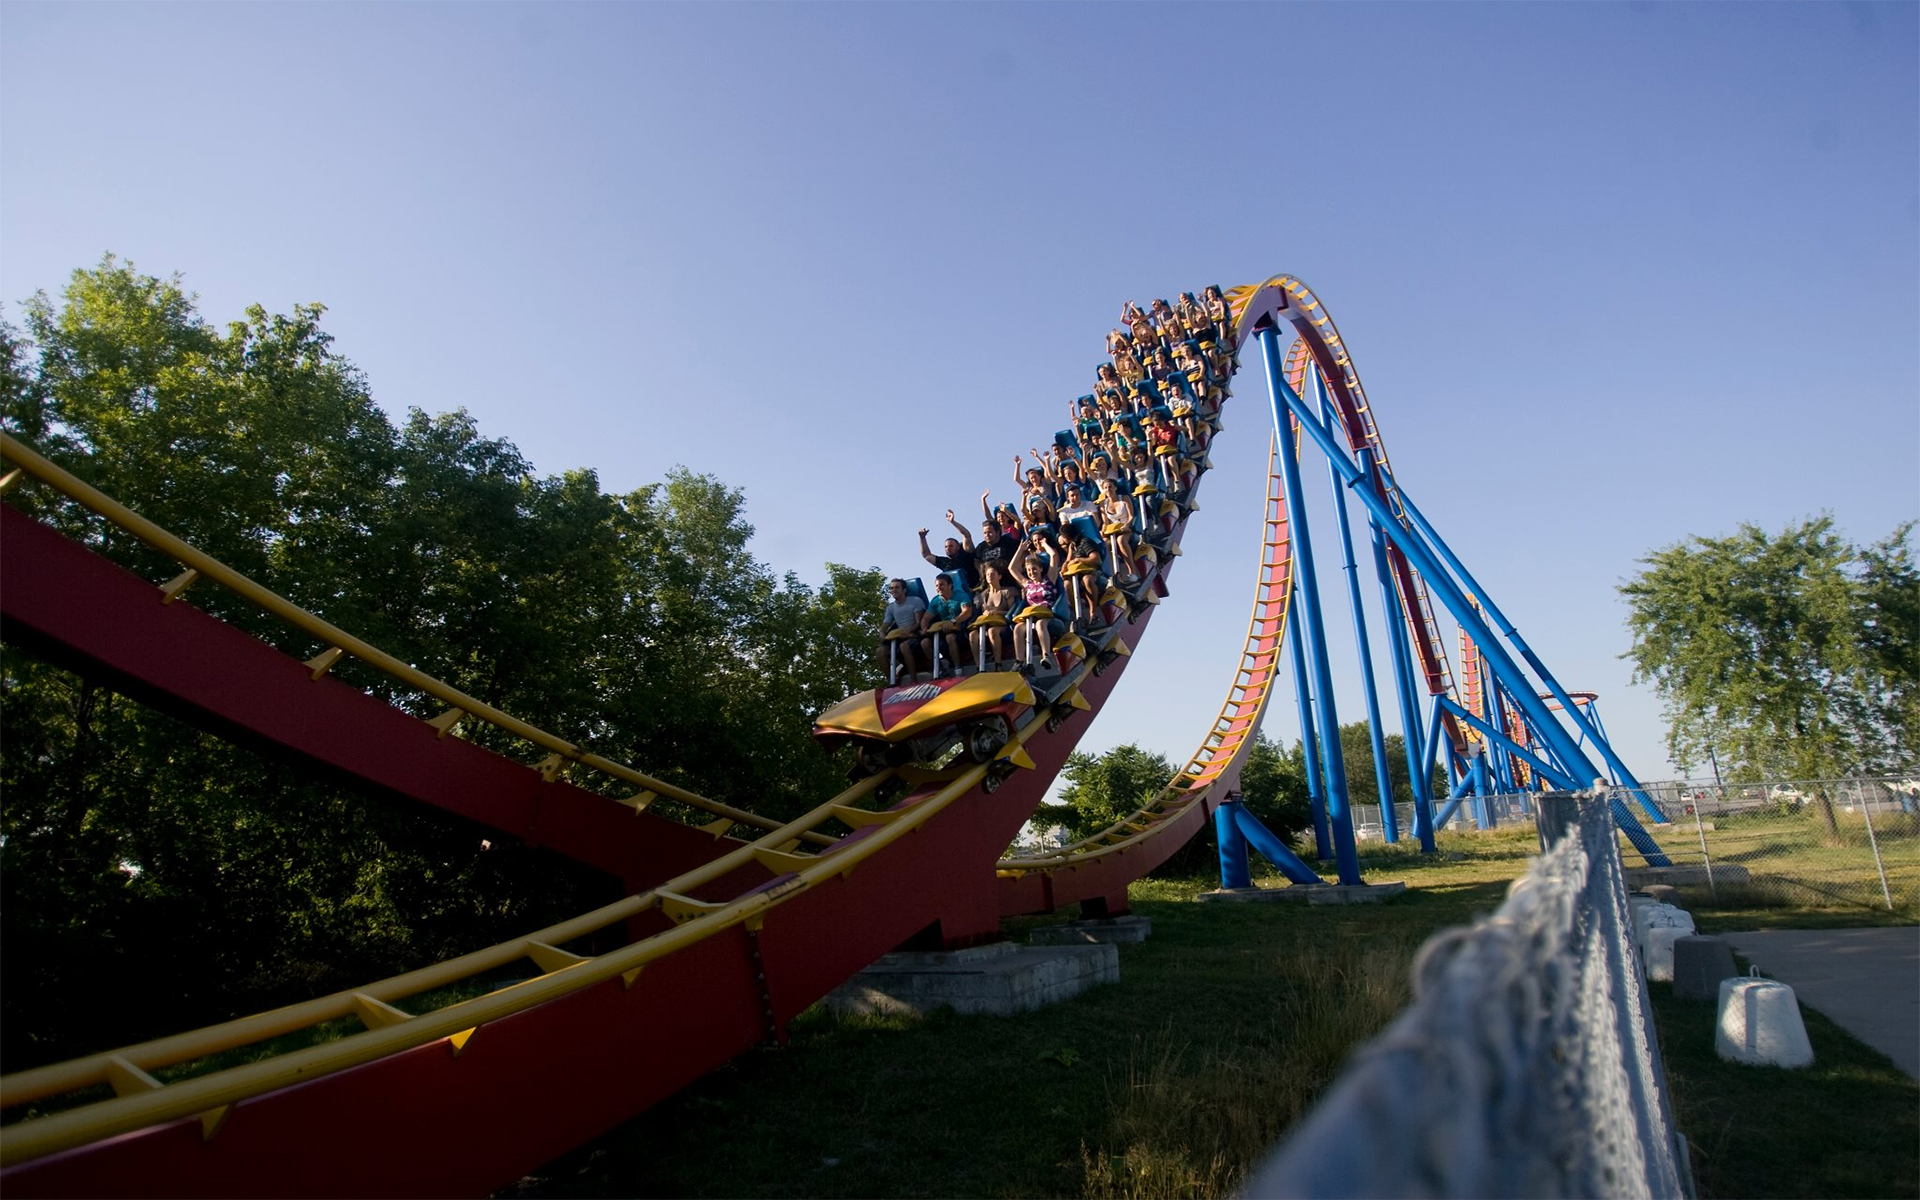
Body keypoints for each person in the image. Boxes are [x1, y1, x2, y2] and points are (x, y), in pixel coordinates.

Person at [1009, 539, 1064, 672]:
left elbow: (1054, 556)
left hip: (1050, 617)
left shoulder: (1049, 579)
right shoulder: (1027, 584)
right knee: (1018, 628)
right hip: (1030, 619)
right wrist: (1020, 550)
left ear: (1040, 569)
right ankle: (1019, 661)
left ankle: (1046, 656)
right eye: (1028, 570)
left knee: (1040, 624)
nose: (1031, 572)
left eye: (1034, 569)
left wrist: (1044, 544)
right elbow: (1011, 568)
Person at [970, 561, 1019, 670]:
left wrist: (997, 612)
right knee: (973, 634)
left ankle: (998, 664)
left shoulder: (1008, 591)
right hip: (987, 622)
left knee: (992, 631)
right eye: (988, 574)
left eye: (993, 574)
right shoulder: (983, 595)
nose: (990, 576)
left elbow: (1013, 612)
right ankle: (979, 666)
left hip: (1003, 623)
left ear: (999, 576)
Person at [924, 573, 975, 677]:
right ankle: (940, 669)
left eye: (942, 585)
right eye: (937, 586)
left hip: (960, 627)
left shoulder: (960, 595)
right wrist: (924, 627)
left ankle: (957, 668)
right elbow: (925, 618)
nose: (939, 588)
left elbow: (967, 612)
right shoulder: (935, 601)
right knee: (925, 643)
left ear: (950, 585)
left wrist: (952, 621)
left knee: (950, 637)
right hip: (942, 629)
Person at [880, 578, 929, 683]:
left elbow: (919, 622)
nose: (894, 590)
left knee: (904, 646)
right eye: (892, 588)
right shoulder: (891, 607)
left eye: (897, 587)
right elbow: (886, 622)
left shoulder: (915, 601)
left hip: (915, 634)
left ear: (904, 590)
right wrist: (882, 631)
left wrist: (909, 631)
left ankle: (913, 680)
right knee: (880, 651)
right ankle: (891, 680)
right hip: (899, 636)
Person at [1099, 477, 1139, 582]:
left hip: (1125, 528)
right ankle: (1113, 575)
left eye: (1110, 487)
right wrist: (1103, 528)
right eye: (1105, 488)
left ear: (1115, 488)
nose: (1108, 490)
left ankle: (1132, 571)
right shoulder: (1103, 504)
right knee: (1105, 543)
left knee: (1120, 540)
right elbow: (1106, 522)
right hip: (1112, 531)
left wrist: (1127, 525)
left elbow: (1131, 516)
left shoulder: (1124, 498)